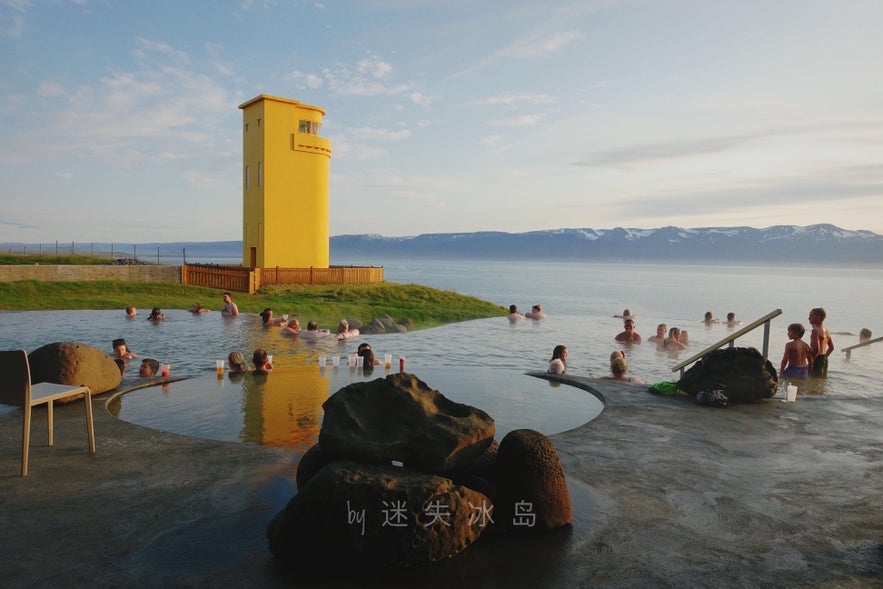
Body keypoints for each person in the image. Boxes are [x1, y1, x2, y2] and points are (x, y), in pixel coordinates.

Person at [809, 307, 834, 378]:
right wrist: (824, 357)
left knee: (812, 379)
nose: (808, 318)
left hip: (816, 357)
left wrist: (811, 361)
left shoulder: (815, 331)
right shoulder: (826, 329)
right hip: (824, 358)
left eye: (811, 316)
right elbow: (831, 347)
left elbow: (816, 349)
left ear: (818, 317)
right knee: (821, 379)